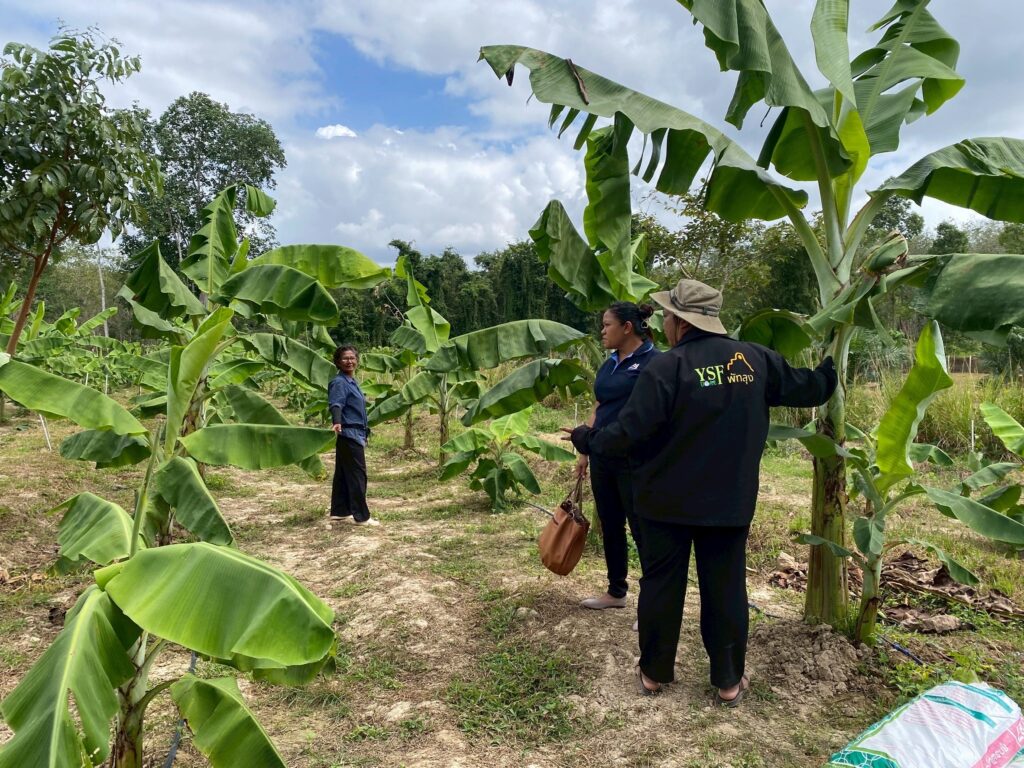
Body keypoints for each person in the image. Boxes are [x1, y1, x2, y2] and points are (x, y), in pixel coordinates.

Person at [567, 279, 837, 703]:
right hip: (729, 501)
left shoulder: (666, 368)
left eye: (667, 316)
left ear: (680, 321)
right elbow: (811, 389)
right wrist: (831, 362)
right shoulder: (754, 360)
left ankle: (654, 673)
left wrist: (586, 438)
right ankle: (728, 681)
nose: (664, 324)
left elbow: (627, 435)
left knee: (661, 584)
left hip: (664, 501)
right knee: (725, 586)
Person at [575, 302, 659, 616]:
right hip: (603, 455)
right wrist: (585, 451)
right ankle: (616, 591)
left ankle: (652, 604)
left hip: (636, 459)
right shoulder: (609, 363)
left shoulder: (654, 362)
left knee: (642, 529)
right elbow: (599, 405)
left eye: (607, 324)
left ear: (627, 327)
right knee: (610, 524)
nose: (602, 331)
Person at [328, 345, 377, 526]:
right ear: (338, 362)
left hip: (354, 432)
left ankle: (340, 511)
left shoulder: (351, 381)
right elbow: (336, 403)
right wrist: (337, 421)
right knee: (357, 474)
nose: (349, 361)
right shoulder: (340, 382)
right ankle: (361, 516)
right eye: (345, 358)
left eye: (352, 358)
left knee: (343, 472)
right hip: (349, 432)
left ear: (357, 360)